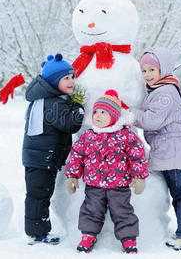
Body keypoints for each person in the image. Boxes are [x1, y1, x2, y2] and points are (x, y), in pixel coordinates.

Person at [131, 47, 181, 252]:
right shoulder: (162, 89)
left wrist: (129, 113)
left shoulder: (166, 92)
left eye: (152, 69)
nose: (147, 75)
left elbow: (152, 120)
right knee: (180, 192)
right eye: (144, 71)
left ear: (165, 69)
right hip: (171, 151)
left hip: (175, 153)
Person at [65, 90, 148, 254]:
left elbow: (137, 156)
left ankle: (128, 238)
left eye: (104, 112)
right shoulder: (89, 136)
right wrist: (72, 175)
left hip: (119, 185)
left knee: (122, 211)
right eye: (96, 111)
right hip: (94, 184)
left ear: (114, 116)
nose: (98, 115)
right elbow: (76, 155)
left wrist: (139, 177)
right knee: (91, 210)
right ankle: (88, 235)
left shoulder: (125, 136)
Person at [22, 53, 84, 245]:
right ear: (53, 81)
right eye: (65, 78)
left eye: (72, 76)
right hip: (42, 158)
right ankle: (37, 232)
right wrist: (78, 106)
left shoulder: (44, 99)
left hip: (38, 156)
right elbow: (70, 124)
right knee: (39, 195)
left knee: (37, 194)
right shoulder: (54, 103)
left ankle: (36, 230)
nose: (71, 81)